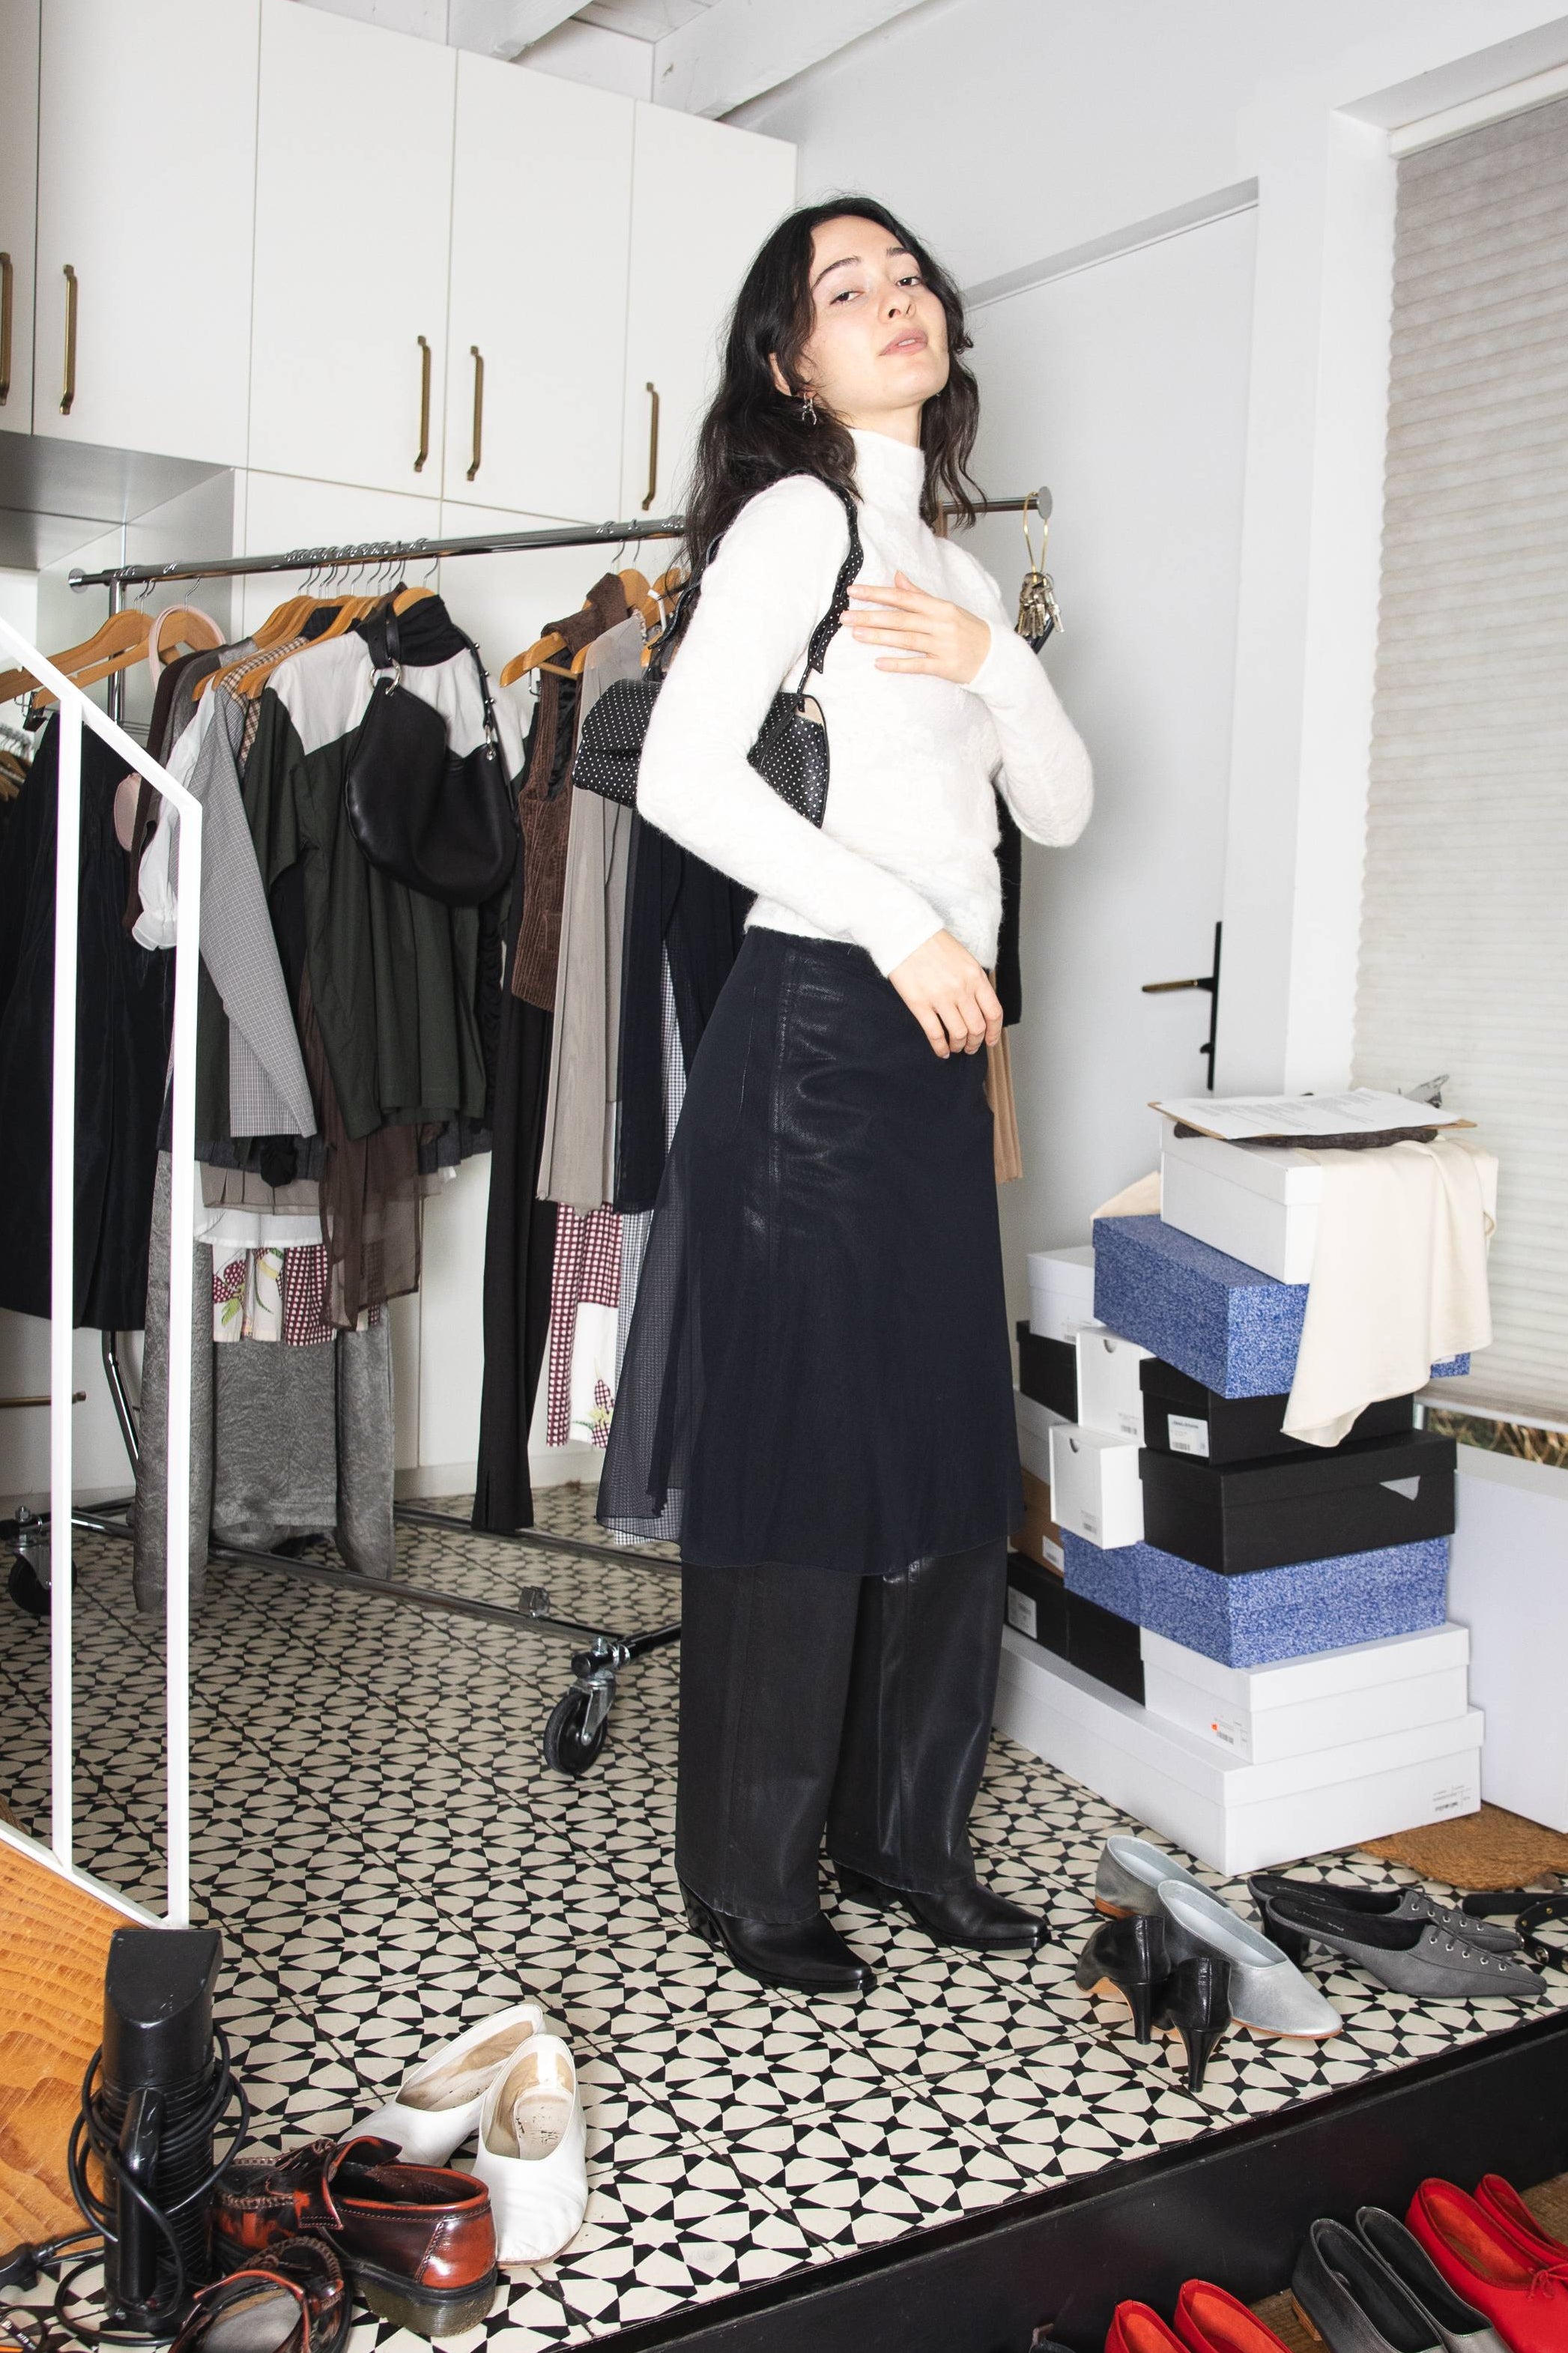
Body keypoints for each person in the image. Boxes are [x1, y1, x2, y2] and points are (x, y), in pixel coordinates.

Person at [597, 196, 1093, 1995]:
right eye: (846, 287)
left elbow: (1058, 810)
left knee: (946, 1451)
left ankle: (904, 1837)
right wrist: (895, 924)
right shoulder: (797, 521)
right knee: (802, 1461)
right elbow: (679, 775)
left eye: (908, 278)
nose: (895, 301)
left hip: (933, 1057)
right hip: (815, 1026)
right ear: (789, 361)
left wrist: (998, 660)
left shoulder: (952, 571)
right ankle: (751, 1876)